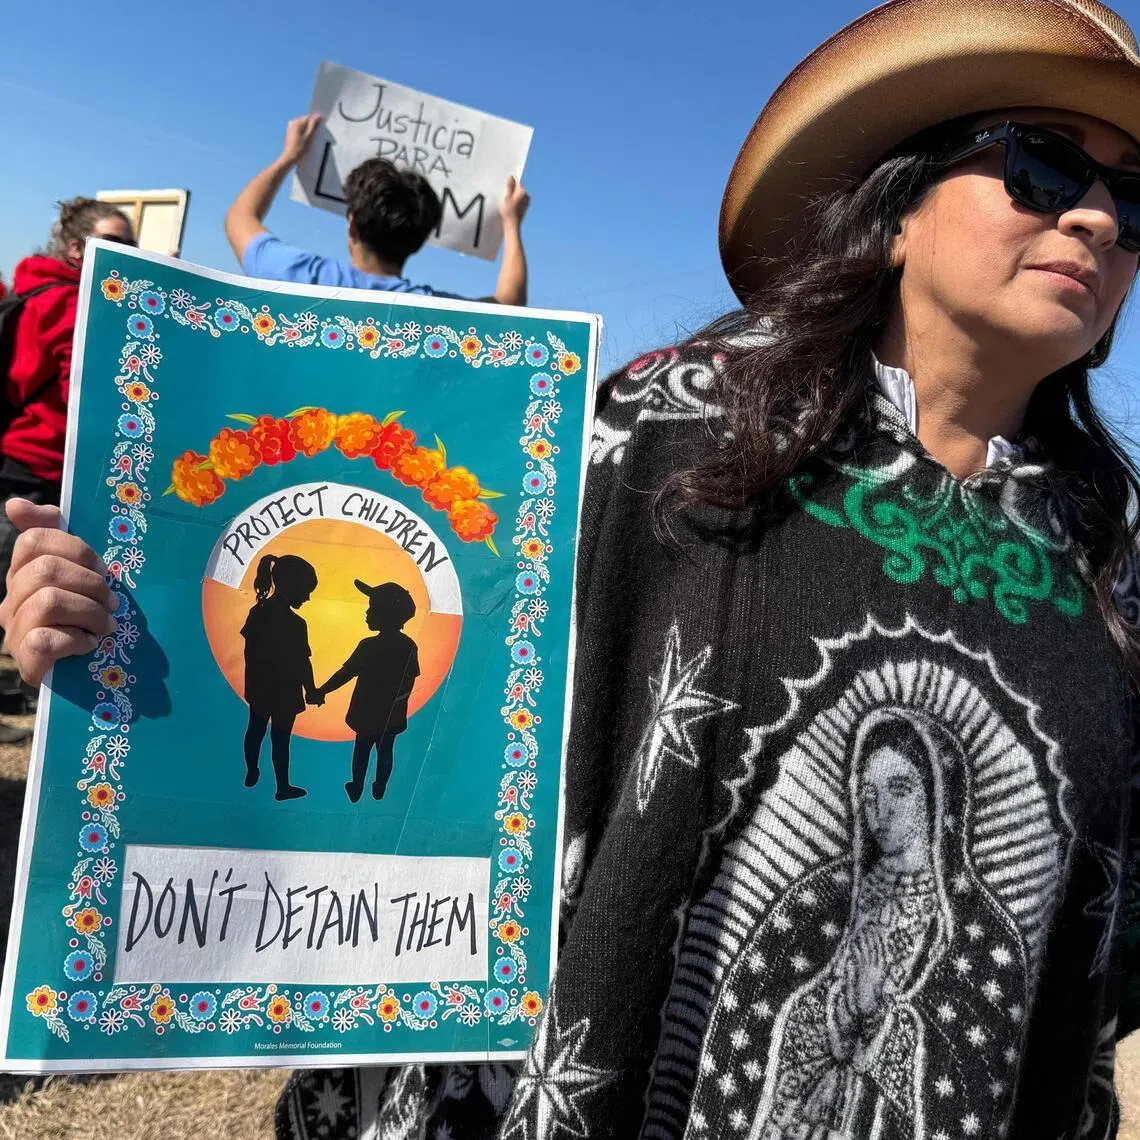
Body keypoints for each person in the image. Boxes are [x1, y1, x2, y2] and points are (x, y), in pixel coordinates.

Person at [4, 0, 1140, 1134]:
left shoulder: (1109, 559)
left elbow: (1096, 943)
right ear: (897, 210)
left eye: (1134, 200)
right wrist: (117, 619)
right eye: (1043, 167)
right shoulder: (672, 444)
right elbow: (445, 691)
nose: (1095, 219)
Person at [0, 198, 133, 745]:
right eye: (118, 245)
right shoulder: (70, 306)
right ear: (79, 250)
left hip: (45, 476)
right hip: (35, 476)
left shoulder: (42, 295)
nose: (131, 256)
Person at [225, 114, 531, 304]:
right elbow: (509, 307)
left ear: (352, 225)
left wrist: (288, 158)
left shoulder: (303, 277)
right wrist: (511, 223)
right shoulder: (433, 312)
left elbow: (239, 219)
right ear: (420, 241)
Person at [312, 579, 420, 803]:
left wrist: (322, 690)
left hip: (368, 712)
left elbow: (346, 673)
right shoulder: (408, 645)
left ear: (386, 613)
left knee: (362, 750)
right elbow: (411, 678)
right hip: (391, 714)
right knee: (385, 752)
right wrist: (397, 703)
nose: (367, 613)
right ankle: (378, 786)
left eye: (372, 608)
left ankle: (357, 785)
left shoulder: (369, 645)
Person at [240, 553, 320, 801]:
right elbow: (302, 661)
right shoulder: (295, 623)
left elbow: (250, 650)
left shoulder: (259, 612)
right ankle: (279, 784)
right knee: (278, 738)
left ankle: (257, 772)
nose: (307, 598)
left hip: (264, 686)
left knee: (257, 730)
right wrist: (312, 689)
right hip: (281, 688)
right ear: (293, 586)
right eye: (306, 591)